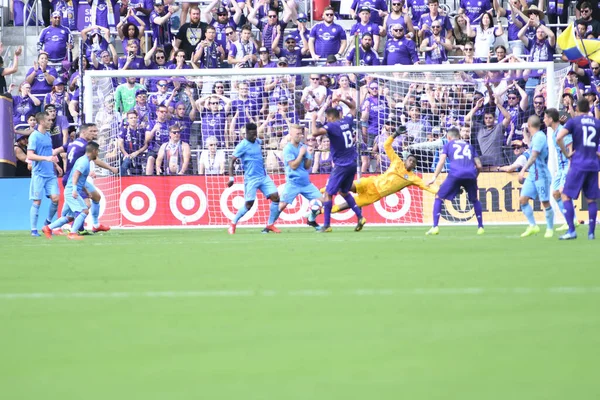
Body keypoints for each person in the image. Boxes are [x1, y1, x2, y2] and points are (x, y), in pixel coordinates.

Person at [327, 125, 437, 216]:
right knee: (348, 187)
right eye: (410, 160)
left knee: (350, 204)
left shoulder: (413, 178)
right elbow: (387, 146)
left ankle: (323, 210)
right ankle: (327, 190)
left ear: (414, 166)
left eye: (413, 162)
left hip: (376, 194)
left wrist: (440, 191)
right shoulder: (397, 161)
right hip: (371, 182)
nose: (411, 162)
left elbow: (426, 186)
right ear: (405, 161)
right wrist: (395, 134)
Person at [311, 100, 366, 233]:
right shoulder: (346, 121)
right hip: (352, 164)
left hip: (341, 166)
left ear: (330, 117)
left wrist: (313, 119)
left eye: (327, 118)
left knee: (328, 194)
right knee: (343, 192)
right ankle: (360, 216)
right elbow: (353, 107)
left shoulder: (332, 126)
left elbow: (314, 132)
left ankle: (327, 225)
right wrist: (343, 99)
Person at [425, 127, 484, 235]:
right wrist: (475, 177)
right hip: (471, 174)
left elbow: (441, 161)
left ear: (449, 137)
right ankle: (480, 227)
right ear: (459, 136)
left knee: (439, 196)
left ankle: (435, 227)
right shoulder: (469, 146)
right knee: (475, 200)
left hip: (455, 174)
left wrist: (434, 177)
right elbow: (479, 166)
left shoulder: (448, 145)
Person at [59, 123, 116, 233]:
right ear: (84, 132)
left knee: (96, 197)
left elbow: (59, 151)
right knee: (84, 206)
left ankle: (95, 225)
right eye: (92, 131)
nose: (95, 133)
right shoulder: (85, 146)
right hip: (75, 179)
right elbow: (96, 160)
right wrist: (111, 168)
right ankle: (70, 228)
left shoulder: (73, 143)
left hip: (77, 177)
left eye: (96, 131)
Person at [556, 98, 600, 240]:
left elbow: (559, 138)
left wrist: (567, 154)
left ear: (577, 108)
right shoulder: (597, 123)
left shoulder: (574, 121)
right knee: (591, 200)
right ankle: (591, 233)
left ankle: (571, 230)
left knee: (565, 195)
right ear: (589, 108)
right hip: (593, 164)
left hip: (578, 163)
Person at [226, 122, 281, 234]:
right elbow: (231, 160)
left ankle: (270, 225)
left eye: (255, 133)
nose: (254, 136)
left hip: (263, 176)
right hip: (251, 179)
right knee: (248, 204)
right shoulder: (242, 145)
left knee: (276, 197)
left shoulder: (257, 141)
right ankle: (233, 223)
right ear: (246, 134)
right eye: (252, 134)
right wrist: (231, 178)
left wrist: (268, 136)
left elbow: (264, 140)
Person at [268, 124, 324, 230]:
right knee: (282, 205)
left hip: (306, 183)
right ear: (291, 134)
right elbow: (293, 166)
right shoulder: (288, 149)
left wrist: (310, 155)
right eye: (297, 134)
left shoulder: (303, 147)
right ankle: (269, 225)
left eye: (301, 133)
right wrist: (301, 155)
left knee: (323, 201)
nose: (300, 136)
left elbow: (307, 166)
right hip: (293, 183)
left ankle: (311, 220)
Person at [42, 142, 100, 241]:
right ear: (94, 151)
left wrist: (85, 191)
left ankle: (48, 228)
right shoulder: (84, 162)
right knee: (84, 211)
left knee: (70, 217)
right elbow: (75, 175)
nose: (98, 154)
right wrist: (74, 190)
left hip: (72, 190)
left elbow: (81, 179)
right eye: (98, 151)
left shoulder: (83, 160)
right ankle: (72, 233)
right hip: (71, 191)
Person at [517, 115, 554, 238]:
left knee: (545, 202)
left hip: (541, 175)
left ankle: (549, 228)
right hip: (533, 174)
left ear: (529, 125)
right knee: (523, 199)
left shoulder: (540, 137)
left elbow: (533, 156)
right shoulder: (535, 137)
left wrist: (523, 170)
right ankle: (533, 226)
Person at [27, 112, 61, 237]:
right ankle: (33, 229)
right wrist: (46, 158)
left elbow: (49, 153)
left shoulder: (47, 135)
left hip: (50, 174)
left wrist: (55, 164)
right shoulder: (34, 136)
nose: (51, 122)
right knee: (37, 201)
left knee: (56, 199)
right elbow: (30, 155)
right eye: (48, 120)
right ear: (41, 122)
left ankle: (47, 223)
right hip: (39, 174)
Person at [544, 108, 576, 232]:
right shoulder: (554, 133)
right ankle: (569, 220)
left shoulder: (563, 133)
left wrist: (570, 167)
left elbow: (570, 148)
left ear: (551, 119)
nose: (544, 120)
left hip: (566, 167)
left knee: (563, 193)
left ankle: (571, 221)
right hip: (560, 168)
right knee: (555, 194)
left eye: (545, 117)